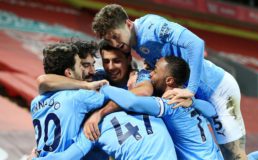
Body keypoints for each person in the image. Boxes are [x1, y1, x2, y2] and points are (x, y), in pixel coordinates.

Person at [92, 4, 246, 159]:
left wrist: (191, 90)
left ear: (128, 24)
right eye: (108, 40)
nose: (114, 43)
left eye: (115, 36)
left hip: (218, 90)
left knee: (234, 155)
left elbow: (196, 43)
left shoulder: (152, 27)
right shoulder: (135, 42)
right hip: (195, 95)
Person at [30, 41, 177, 160]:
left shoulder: (35, 102)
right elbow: (43, 80)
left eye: (116, 61)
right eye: (84, 65)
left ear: (128, 60)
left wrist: (99, 114)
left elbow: (141, 94)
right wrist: (87, 85)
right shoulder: (88, 89)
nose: (92, 71)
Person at [94, 56, 222, 160]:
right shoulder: (185, 96)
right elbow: (211, 111)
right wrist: (194, 102)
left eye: (155, 71)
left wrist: (103, 87)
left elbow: (132, 102)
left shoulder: (170, 103)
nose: (150, 75)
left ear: (169, 81)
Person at [30, 42, 107, 157]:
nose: (87, 70)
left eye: (93, 65)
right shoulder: (80, 96)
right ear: (69, 72)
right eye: (82, 65)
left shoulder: (35, 102)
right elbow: (117, 99)